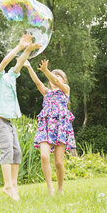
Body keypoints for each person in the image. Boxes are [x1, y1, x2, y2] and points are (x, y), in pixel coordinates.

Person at [0, 34, 41, 201]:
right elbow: (5, 61)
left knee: (16, 152)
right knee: (6, 151)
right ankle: (7, 185)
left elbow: (19, 63)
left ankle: (13, 185)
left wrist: (28, 49)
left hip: (8, 122)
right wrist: (20, 47)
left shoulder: (8, 77)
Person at [24, 59, 76, 195]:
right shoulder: (47, 93)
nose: (56, 79)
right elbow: (37, 82)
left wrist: (46, 71)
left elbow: (58, 82)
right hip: (45, 126)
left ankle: (60, 188)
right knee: (44, 157)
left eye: (59, 76)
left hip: (61, 127)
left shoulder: (66, 90)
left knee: (59, 162)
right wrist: (29, 67)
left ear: (64, 80)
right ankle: (50, 188)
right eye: (54, 76)